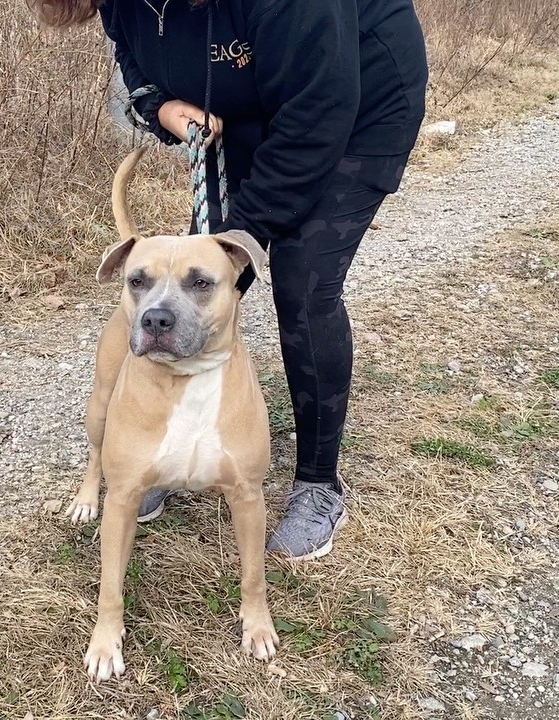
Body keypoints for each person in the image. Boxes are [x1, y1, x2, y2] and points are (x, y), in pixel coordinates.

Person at [32, 0, 429, 560]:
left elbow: (320, 107)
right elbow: (133, 58)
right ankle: (163, 448)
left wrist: (244, 238)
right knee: (193, 286)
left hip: (355, 104)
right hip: (244, 104)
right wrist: (160, 105)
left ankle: (318, 484)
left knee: (300, 281)